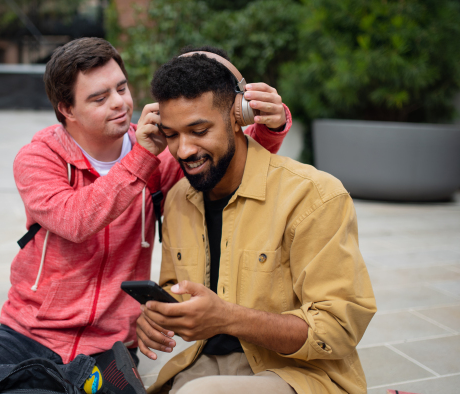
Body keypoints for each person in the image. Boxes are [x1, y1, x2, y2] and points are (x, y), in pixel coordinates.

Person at [0, 39, 292, 394]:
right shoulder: (39, 158)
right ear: (66, 109)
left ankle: (66, 383)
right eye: (99, 98)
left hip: (111, 347)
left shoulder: (162, 154)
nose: (120, 104)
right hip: (27, 333)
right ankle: (69, 382)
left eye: (121, 88)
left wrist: (273, 125)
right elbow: (76, 220)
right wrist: (140, 158)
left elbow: (225, 165)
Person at [135, 50, 377, 394]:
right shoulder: (177, 199)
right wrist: (158, 314)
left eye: (199, 130)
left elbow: (338, 329)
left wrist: (226, 317)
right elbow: (176, 287)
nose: (184, 150)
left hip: (301, 373)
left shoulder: (315, 196)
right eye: (171, 135)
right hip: (205, 363)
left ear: (239, 117)